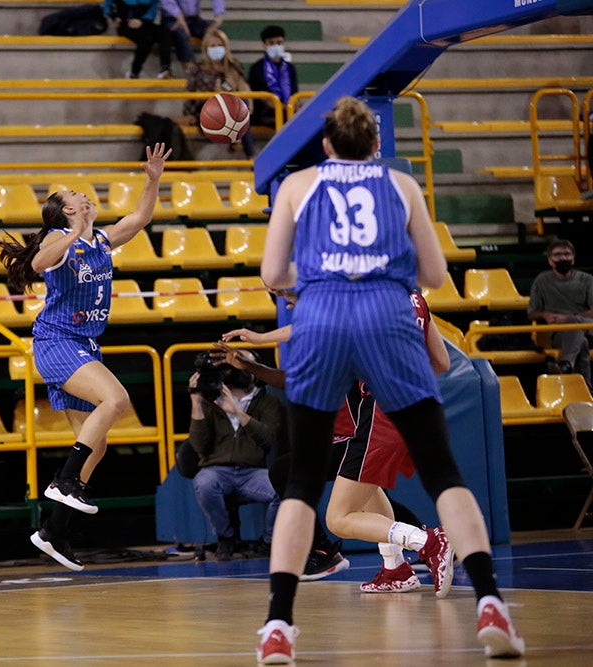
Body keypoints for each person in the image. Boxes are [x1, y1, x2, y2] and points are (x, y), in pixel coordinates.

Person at [255, 96, 524, 663]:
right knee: (444, 472)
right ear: (376, 146)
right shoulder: (401, 188)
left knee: (302, 481)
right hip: (387, 317)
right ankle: (491, 604)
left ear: (326, 146)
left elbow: (273, 274)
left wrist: (324, 271)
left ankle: (278, 626)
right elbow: (433, 274)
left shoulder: (298, 186)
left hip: (323, 317)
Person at [0, 143, 171, 571]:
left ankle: (54, 530)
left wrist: (152, 179)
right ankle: (65, 482)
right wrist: (71, 233)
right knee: (116, 400)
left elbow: (140, 219)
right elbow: (37, 265)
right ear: (66, 211)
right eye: (74, 195)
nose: (83, 195)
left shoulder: (100, 240)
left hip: (84, 344)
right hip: (57, 341)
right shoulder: (61, 238)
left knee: (98, 442)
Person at [224, 289, 455, 596]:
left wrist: (258, 339)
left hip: (380, 412)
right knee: (369, 491)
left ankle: (429, 541)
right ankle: (395, 568)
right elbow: (441, 362)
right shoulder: (414, 297)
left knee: (339, 517)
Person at [185, 353, 283, 560]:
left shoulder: (267, 401)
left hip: (252, 471)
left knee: (281, 489)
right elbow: (199, 445)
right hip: (217, 469)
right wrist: (196, 402)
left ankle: (269, 542)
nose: (242, 370)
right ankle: (226, 537)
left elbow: (268, 438)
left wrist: (237, 412)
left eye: (247, 364)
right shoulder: (210, 399)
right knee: (204, 483)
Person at [180, 30, 256, 158]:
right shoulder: (197, 69)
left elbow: (244, 89)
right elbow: (191, 96)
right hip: (206, 110)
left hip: (233, 108)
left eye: (220, 45)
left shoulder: (234, 67)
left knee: (242, 101)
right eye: (213, 46)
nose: (217, 49)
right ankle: (249, 151)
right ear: (206, 49)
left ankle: (243, 143)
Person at [527, 238, 593, 387]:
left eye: (567, 254)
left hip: (589, 327)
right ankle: (586, 391)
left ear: (573, 259)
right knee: (581, 343)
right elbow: (532, 313)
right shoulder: (542, 281)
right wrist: (545, 315)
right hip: (560, 333)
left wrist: (570, 318)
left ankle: (565, 364)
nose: (563, 258)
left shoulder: (587, 280)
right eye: (557, 255)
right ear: (550, 261)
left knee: (575, 324)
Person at [105, 0, 173, 79]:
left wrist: (141, 21)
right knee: (146, 38)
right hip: (125, 24)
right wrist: (114, 17)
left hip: (145, 23)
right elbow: (106, 5)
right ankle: (134, 72)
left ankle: (165, 68)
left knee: (164, 31)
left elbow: (153, 9)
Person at [248, 24, 298, 129]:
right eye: (271, 43)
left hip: (287, 111)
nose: (275, 46)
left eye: (279, 42)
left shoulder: (290, 68)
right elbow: (265, 100)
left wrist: (295, 105)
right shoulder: (256, 69)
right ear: (265, 45)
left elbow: (295, 95)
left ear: (283, 43)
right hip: (265, 113)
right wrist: (287, 108)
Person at [160, 0, 224, 70]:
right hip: (172, 18)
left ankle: (221, 65)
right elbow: (167, 2)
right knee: (181, 35)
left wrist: (218, 19)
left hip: (194, 19)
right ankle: (190, 68)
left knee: (218, 34)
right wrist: (180, 18)